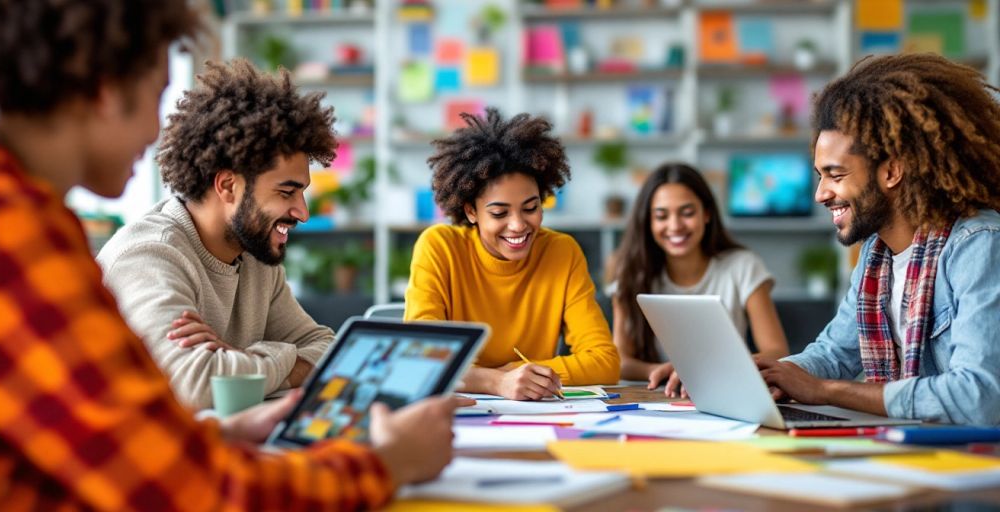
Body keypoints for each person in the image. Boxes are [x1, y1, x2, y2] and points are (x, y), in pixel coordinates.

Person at [0, 1, 466, 509]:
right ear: (105, 89)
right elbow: (192, 490)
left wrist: (223, 424)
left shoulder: (27, 216)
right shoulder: (7, 231)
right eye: (156, 97)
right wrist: (388, 464)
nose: (154, 131)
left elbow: (105, 446)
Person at [758, 53, 1000, 425]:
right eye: (820, 176)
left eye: (835, 175)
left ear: (891, 171)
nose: (821, 194)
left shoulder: (978, 244)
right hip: (908, 448)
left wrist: (828, 392)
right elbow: (833, 354)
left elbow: (979, 397)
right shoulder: (877, 255)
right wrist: (758, 375)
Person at [97, 59, 335, 409]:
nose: (302, 212)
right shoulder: (150, 255)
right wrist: (282, 361)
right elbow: (195, 386)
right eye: (286, 192)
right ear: (227, 185)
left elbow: (328, 348)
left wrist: (238, 360)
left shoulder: (255, 256)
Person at [404, 108, 621, 400]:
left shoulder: (562, 252)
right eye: (499, 213)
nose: (518, 225)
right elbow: (421, 359)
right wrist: (495, 382)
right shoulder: (439, 247)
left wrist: (521, 373)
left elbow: (604, 362)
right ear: (471, 211)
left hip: (536, 414)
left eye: (531, 208)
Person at [609, 163, 789, 396]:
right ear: (648, 222)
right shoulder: (631, 273)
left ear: (706, 213)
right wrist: (663, 370)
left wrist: (712, 370)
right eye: (661, 216)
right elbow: (619, 360)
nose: (675, 226)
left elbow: (777, 350)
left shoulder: (743, 266)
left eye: (687, 213)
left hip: (728, 391)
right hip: (660, 395)